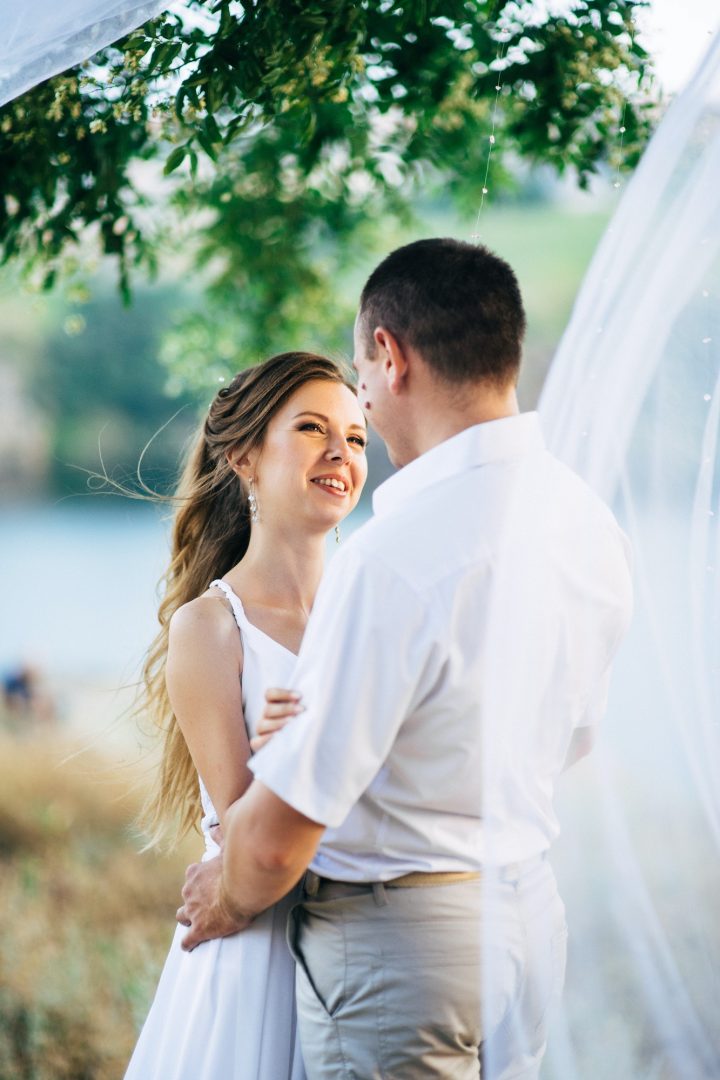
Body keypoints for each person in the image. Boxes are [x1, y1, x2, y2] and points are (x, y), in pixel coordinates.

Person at [177, 238, 634, 1079]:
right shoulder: (589, 524)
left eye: (359, 385)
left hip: (404, 946)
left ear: (389, 357)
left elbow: (276, 845)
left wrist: (225, 893)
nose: (358, 429)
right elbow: (573, 738)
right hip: (529, 923)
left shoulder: (392, 555)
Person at [124, 351, 368, 1080]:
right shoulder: (210, 626)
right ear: (244, 457)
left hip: (359, 946)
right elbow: (241, 830)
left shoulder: (370, 607)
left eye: (356, 437)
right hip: (257, 954)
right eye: (312, 428)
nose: (340, 453)